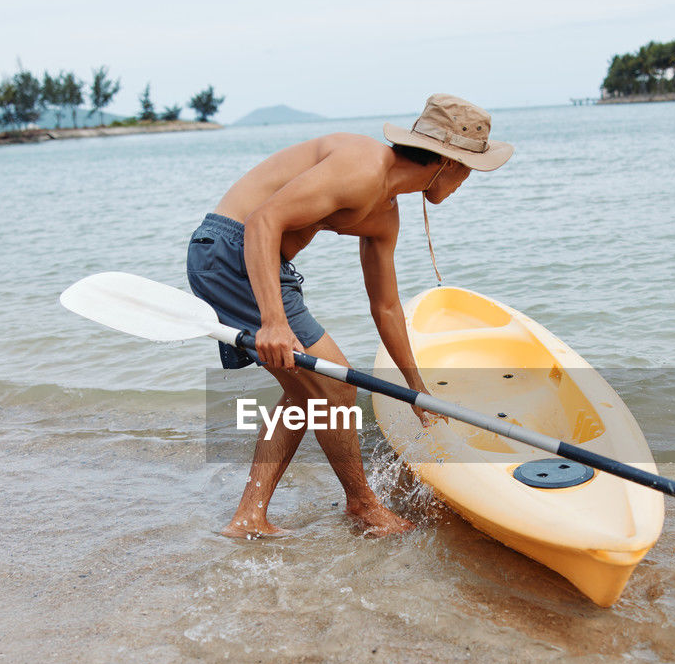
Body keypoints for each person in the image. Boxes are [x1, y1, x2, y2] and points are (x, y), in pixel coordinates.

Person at [187, 94, 513, 538]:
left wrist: (417, 393)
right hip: (233, 250)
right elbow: (263, 221)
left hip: (255, 262)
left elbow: (386, 307)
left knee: (308, 395)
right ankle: (362, 505)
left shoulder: (384, 213)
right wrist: (273, 321)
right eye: (469, 171)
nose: (465, 182)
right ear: (449, 163)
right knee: (338, 389)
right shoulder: (363, 166)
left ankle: (250, 517)